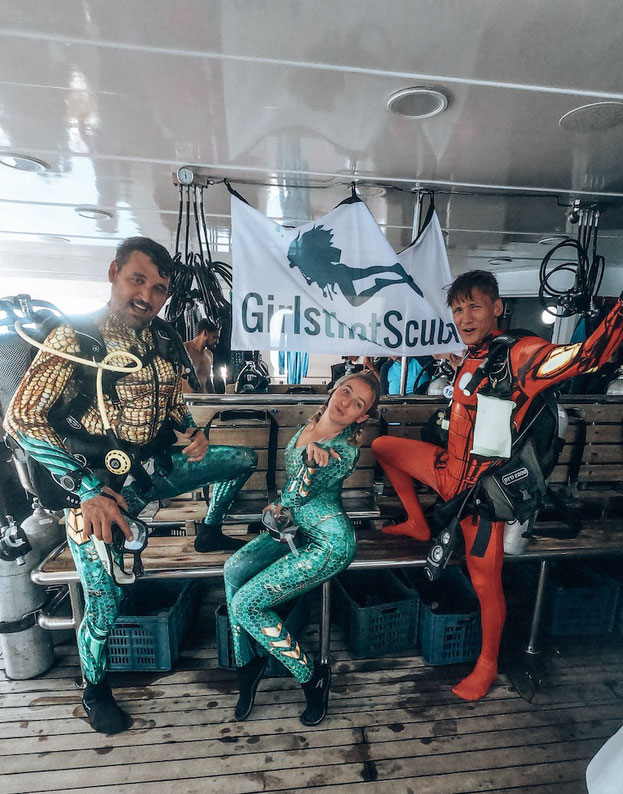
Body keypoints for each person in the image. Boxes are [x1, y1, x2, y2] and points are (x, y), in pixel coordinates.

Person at [4, 237, 257, 734]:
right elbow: (22, 419)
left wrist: (191, 432)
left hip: (154, 472)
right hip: (99, 494)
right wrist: (85, 488)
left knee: (240, 459)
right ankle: (94, 689)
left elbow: (171, 407)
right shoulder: (73, 339)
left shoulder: (163, 340)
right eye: (137, 280)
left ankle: (208, 530)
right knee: (105, 601)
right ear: (114, 271)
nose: (147, 295)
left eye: (158, 287)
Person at [372, 270, 623, 702]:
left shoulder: (522, 354)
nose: (465, 317)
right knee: (383, 446)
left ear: (497, 307)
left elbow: (588, 357)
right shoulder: (474, 354)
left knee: (486, 581)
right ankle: (417, 522)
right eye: (457, 309)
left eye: (475, 306)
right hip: (446, 469)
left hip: (479, 494)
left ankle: (487, 664)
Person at [224, 371, 380, 726]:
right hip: (296, 532)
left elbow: (299, 494)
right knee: (233, 569)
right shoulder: (305, 430)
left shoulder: (343, 451)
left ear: (362, 417)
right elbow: (288, 500)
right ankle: (246, 664)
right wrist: (275, 507)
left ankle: (312, 678)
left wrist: (311, 465)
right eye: (346, 391)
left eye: (358, 403)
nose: (346, 403)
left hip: (329, 544)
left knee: (246, 605)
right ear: (333, 390)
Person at [183, 318, 220, 393]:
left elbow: (208, 382)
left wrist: (214, 401)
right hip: (186, 400)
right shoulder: (183, 350)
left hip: (204, 401)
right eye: (214, 337)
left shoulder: (209, 355)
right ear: (205, 333)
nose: (217, 341)